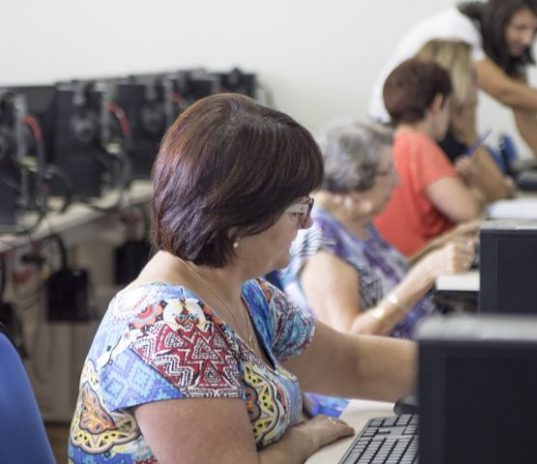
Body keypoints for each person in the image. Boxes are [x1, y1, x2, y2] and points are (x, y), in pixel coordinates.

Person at [67, 94, 415, 463]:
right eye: (297, 209)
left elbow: (353, 362)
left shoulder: (248, 295)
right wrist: (305, 439)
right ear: (240, 217)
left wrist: (468, 367)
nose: (308, 223)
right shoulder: (167, 330)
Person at [280, 121, 475, 417]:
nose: (397, 182)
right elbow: (349, 341)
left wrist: (440, 246)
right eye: (388, 171)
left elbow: (382, 281)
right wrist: (423, 275)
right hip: (374, 395)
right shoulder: (321, 245)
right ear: (356, 180)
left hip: (410, 368)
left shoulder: (354, 220)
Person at [369, 0, 537, 172]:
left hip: (438, 124)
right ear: (498, 21)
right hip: (396, 122)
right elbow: (506, 92)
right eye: (520, 28)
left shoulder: (512, 47)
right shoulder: (458, 28)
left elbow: (524, 109)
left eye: (535, 30)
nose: (528, 39)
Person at [373, 57, 483, 258]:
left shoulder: (386, 143)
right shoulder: (419, 147)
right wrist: (473, 188)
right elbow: (470, 214)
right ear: (438, 103)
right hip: (424, 269)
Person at [414, 38, 516, 200]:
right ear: (456, 79)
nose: (478, 86)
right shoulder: (439, 137)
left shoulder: (448, 130)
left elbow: (499, 190)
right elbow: (499, 192)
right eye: (473, 77)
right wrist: (470, 133)